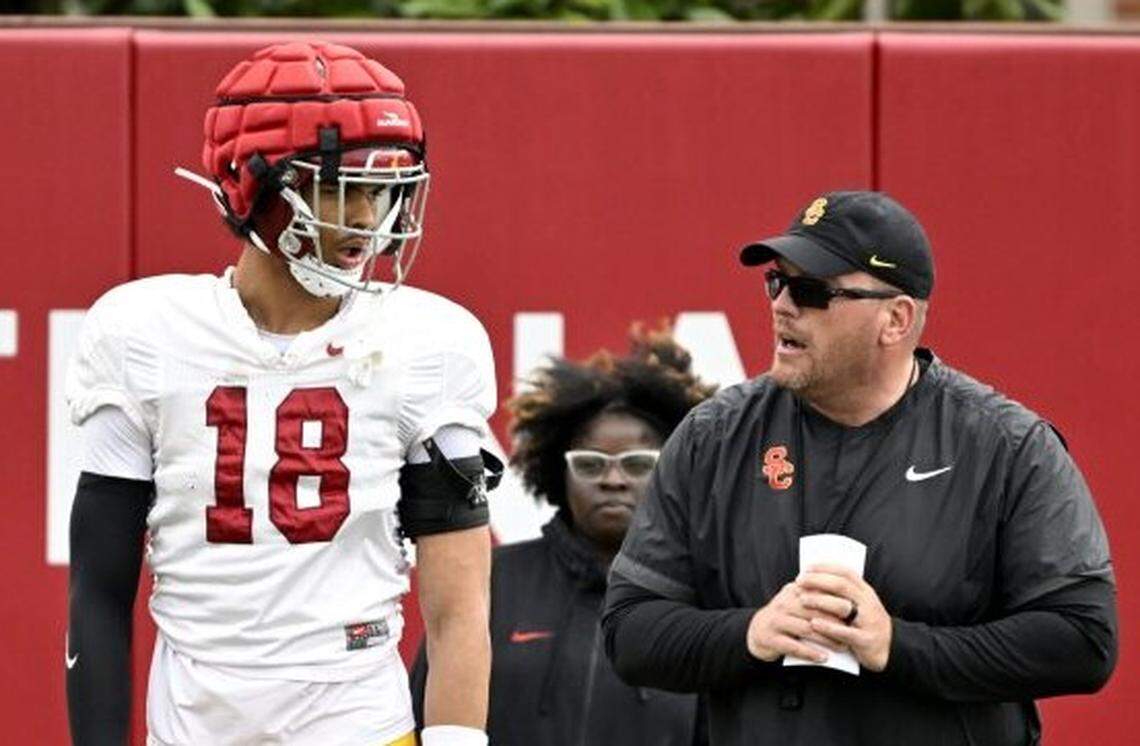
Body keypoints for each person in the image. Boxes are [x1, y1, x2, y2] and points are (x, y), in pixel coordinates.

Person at [65, 41, 500, 746]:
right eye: (336, 187)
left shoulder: (430, 342)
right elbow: (99, 593)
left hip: (361, 722)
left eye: (384, 187)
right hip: (194, 726)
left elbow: (459, 607)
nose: (365, 217)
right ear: (249, 183)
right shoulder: (143, 331)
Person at [601, 191, 1117, 746]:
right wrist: (751, 631)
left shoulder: (1006, 446)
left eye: (810, 291)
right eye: (777, 282)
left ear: (895, 320)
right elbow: (630, 629)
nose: (781, 306)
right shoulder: (715, 437)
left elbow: (1083, 639)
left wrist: (896, 645)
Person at [411, 327, 715, 745]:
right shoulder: (491, 581)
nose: (613, 479)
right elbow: (423, 717)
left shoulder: (706, 600)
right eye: (590, 464)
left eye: (638, 464)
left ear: (674, 473)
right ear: (558, 472)